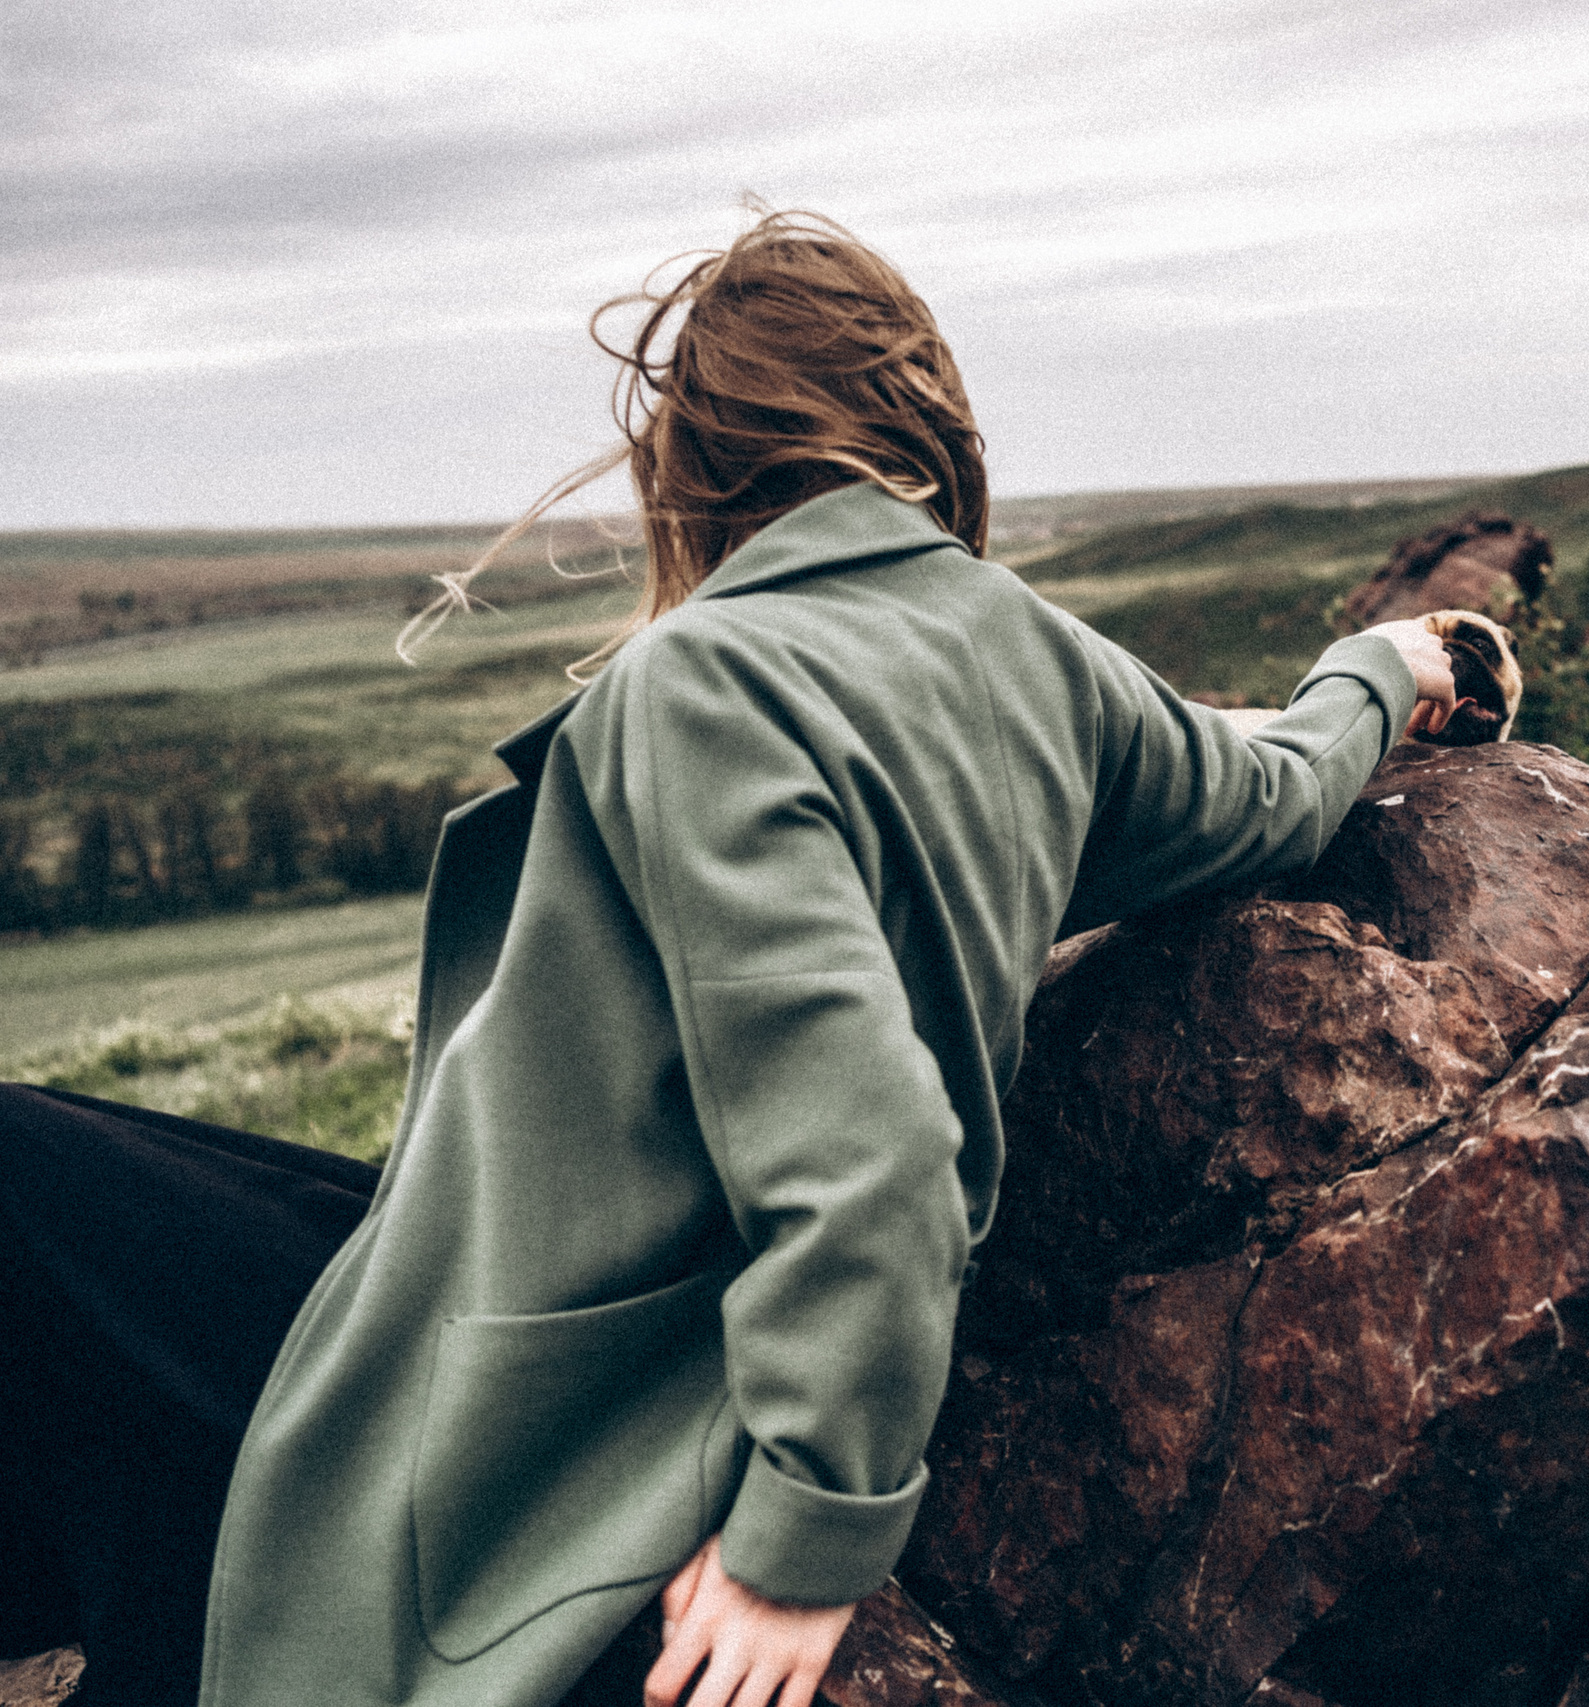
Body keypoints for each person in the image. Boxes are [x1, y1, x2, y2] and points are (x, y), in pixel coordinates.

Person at [0, 208, 1455, 1707]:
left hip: (570, 1370)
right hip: (522, 1261)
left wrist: (807, 1533)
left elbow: (880, 1154)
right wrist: (1383, 670)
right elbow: (1276, 797)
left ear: (690, 464)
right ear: (926, 423)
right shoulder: (1042, 657)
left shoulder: (701, 684)